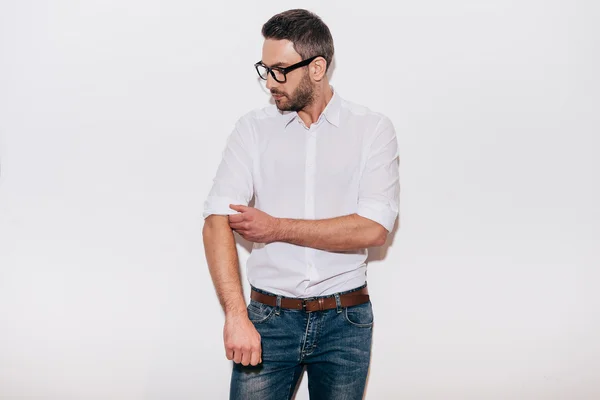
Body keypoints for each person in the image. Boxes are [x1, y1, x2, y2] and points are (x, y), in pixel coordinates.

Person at [202, 8, 400, 400]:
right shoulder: (252, 130)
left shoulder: (371, 129)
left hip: (346, 319)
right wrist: (236, 317)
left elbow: (373, 228)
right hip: (267, 320)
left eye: (280, 70)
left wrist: (277, 228)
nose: (270, 83)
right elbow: (215, 220)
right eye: (265, 69)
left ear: (317, 67)